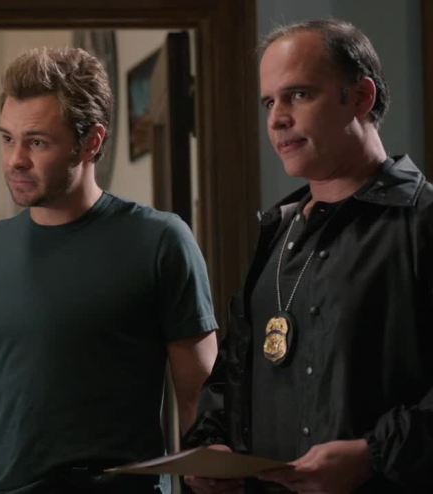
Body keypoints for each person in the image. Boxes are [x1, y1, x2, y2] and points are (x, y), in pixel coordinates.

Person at [0, 47, 219, 494]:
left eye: (37, 142)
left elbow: (199, 399)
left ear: (91, 142)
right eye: (7, 138)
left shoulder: (160, 242)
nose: (15, 159)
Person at [184, 19, 433, 494]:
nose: (277, 119)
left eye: (298, 95)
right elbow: (232, 376)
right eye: (269, 102)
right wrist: (213, 445)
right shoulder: (277, 234)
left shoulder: (421, 222)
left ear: (360, 97)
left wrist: (374, 456)